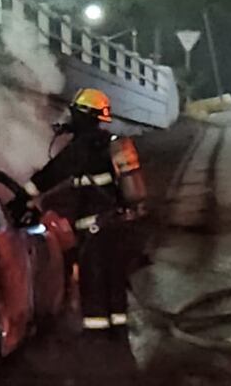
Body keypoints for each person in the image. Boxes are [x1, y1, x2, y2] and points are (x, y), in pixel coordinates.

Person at [19, 88, 142, 333]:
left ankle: (97, 342)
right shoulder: (108, 143)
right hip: (119, 225)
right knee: (115, 280)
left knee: (93, 283)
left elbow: (50, 175)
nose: (71, 118)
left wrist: (20, 197)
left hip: (95, 231)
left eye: (75, 113)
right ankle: (119, 334)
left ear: (84, 115)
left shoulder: (81, 148)